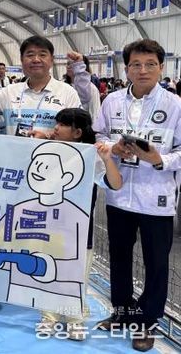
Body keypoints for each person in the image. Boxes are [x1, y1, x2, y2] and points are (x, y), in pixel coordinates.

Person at [93, 39, 181, 352]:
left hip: (156, 198)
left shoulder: (175, 105)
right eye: (136, 65)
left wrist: (159, 159)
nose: (143, 70)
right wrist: (112, 148)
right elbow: (99, 135)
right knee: (119, 257)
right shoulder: (112, 101)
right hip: (118, 195)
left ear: (161, 67)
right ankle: (122, 311)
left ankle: (146, 321)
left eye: (150, 64)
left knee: (156, 263)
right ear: (126, 68)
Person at [35, 108, 123, 341]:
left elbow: (115, 184)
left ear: (77, 133)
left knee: (76, 275)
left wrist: (107, 159)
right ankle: (48, 316)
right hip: (48, 226)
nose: (56, 128)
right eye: (57, 123)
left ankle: (75, 319)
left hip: (79, 230)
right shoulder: (47, 152)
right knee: (48, 271)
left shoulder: (90, 158)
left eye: (63, 124)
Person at [0, 36, 81, 137]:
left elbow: (77, 131)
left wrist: (47, 137)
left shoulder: (67, 92)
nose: (36, 59)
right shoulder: (10, 91)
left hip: (50, 153)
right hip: (14, 153)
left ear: (52, 60)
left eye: (42, 55)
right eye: (30, 55)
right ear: (22, 60)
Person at [65, 52, 101, 119]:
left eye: (73, 63)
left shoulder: (91, 88)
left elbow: (96, 112)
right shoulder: (63, 86)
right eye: (68, 63)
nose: (69, 66)